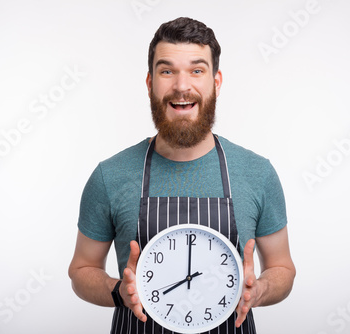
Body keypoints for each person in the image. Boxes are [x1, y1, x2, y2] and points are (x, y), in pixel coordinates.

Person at [68, 17, 296, 334]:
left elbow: (282, 268)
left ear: (216, 81)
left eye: (196, 70)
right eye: (167, 71)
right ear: (150, 83)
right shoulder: (111, 175)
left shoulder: (257, 173)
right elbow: (81, 269)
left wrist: (260, 290)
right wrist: (118, 291)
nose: (181, 85)